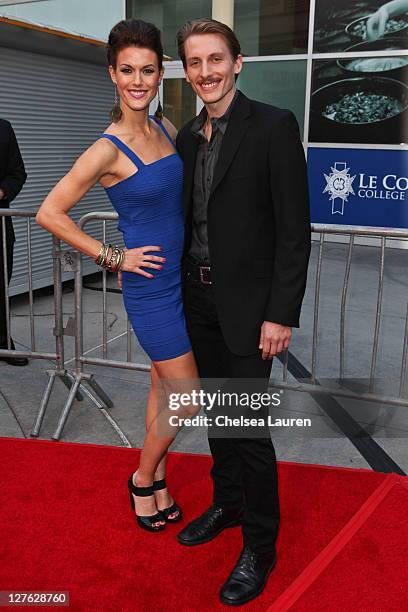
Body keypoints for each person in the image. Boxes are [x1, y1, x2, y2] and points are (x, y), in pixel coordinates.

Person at [36, 19, 200, 533]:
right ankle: (141, 476)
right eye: (127, 70)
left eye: (147, 70)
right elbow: (50, 212)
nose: (138, 80)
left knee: (162, 390)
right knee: (190, 397)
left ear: (160, 73)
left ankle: (159, 482)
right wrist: (113, 256)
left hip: (183, 281)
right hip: (150, 288)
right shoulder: (106, 148)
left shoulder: (166, 128)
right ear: (112, 73)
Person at [174, 18, 311, 606]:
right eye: (194, 63)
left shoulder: (274, 127)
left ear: (237, 63)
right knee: (216, 418)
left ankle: (261, 544)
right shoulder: (185, 136)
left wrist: (280, 314)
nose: (205, 72)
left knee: (248, 430)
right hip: (196, 303)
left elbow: (293, 230)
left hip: (251, 312)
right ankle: (227, 505)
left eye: (215, 60)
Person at [0, 118, 28, 366]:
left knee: (0, 283)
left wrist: (1, 191)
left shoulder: (3, 128)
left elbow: (17, 173)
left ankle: (2, 341)